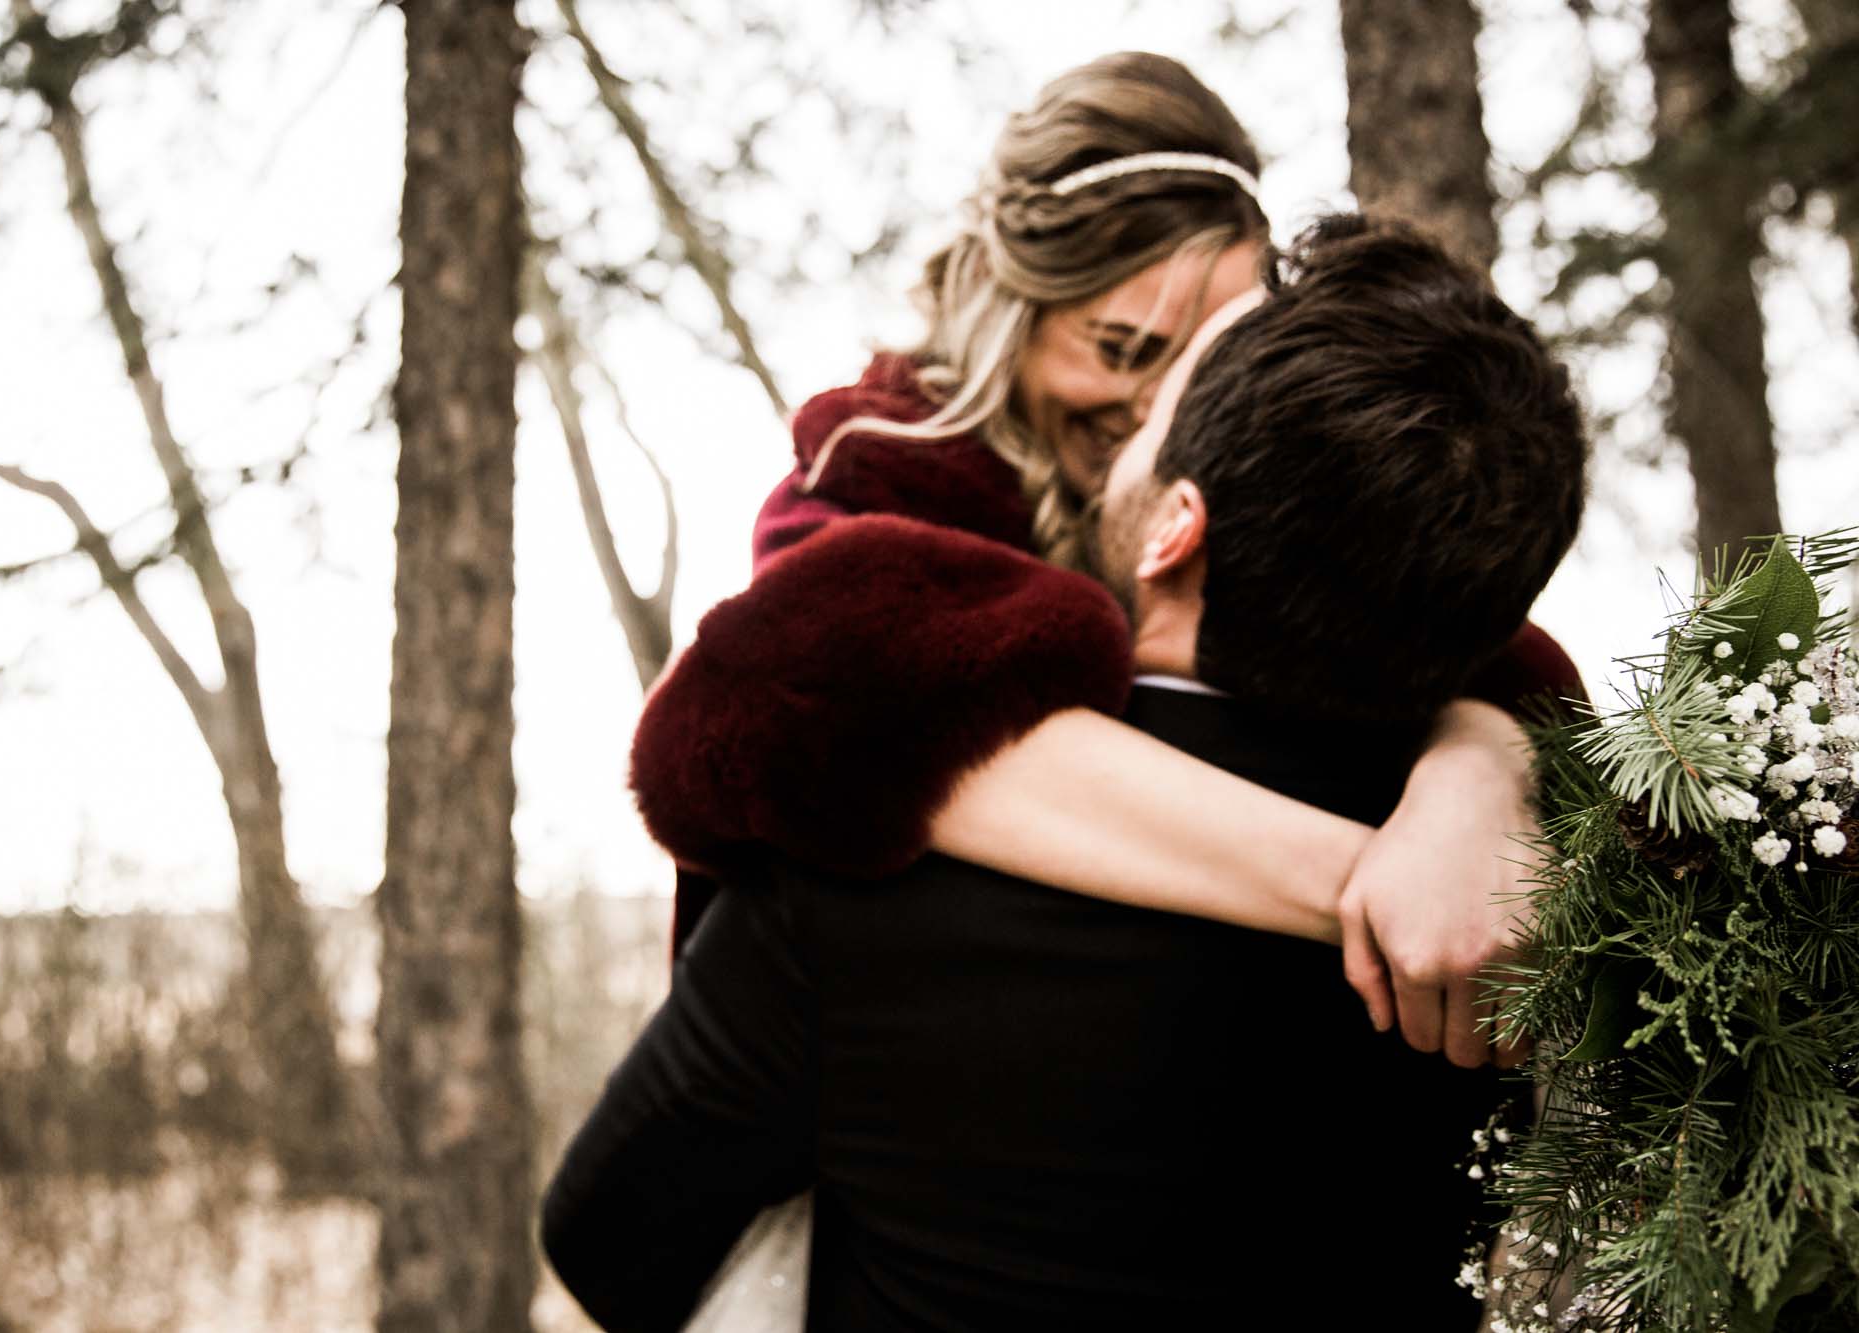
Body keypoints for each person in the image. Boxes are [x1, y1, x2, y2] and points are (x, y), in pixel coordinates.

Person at [543, 214, 1589, 1331]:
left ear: (1173, 529)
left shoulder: (868, 835)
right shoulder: (1529, 933)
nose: (1132, 418)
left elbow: (606, 1237)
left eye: (1162, 402)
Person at [630, 52, 1581, 1068]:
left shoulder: (1233, 484)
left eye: (1204, 356)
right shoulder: (870, 479)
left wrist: (1474, 778)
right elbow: (834, 708)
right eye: (1122, 347)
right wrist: (1373, 886)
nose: (1158, 404)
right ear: (1008, 303)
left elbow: (1494, 659)